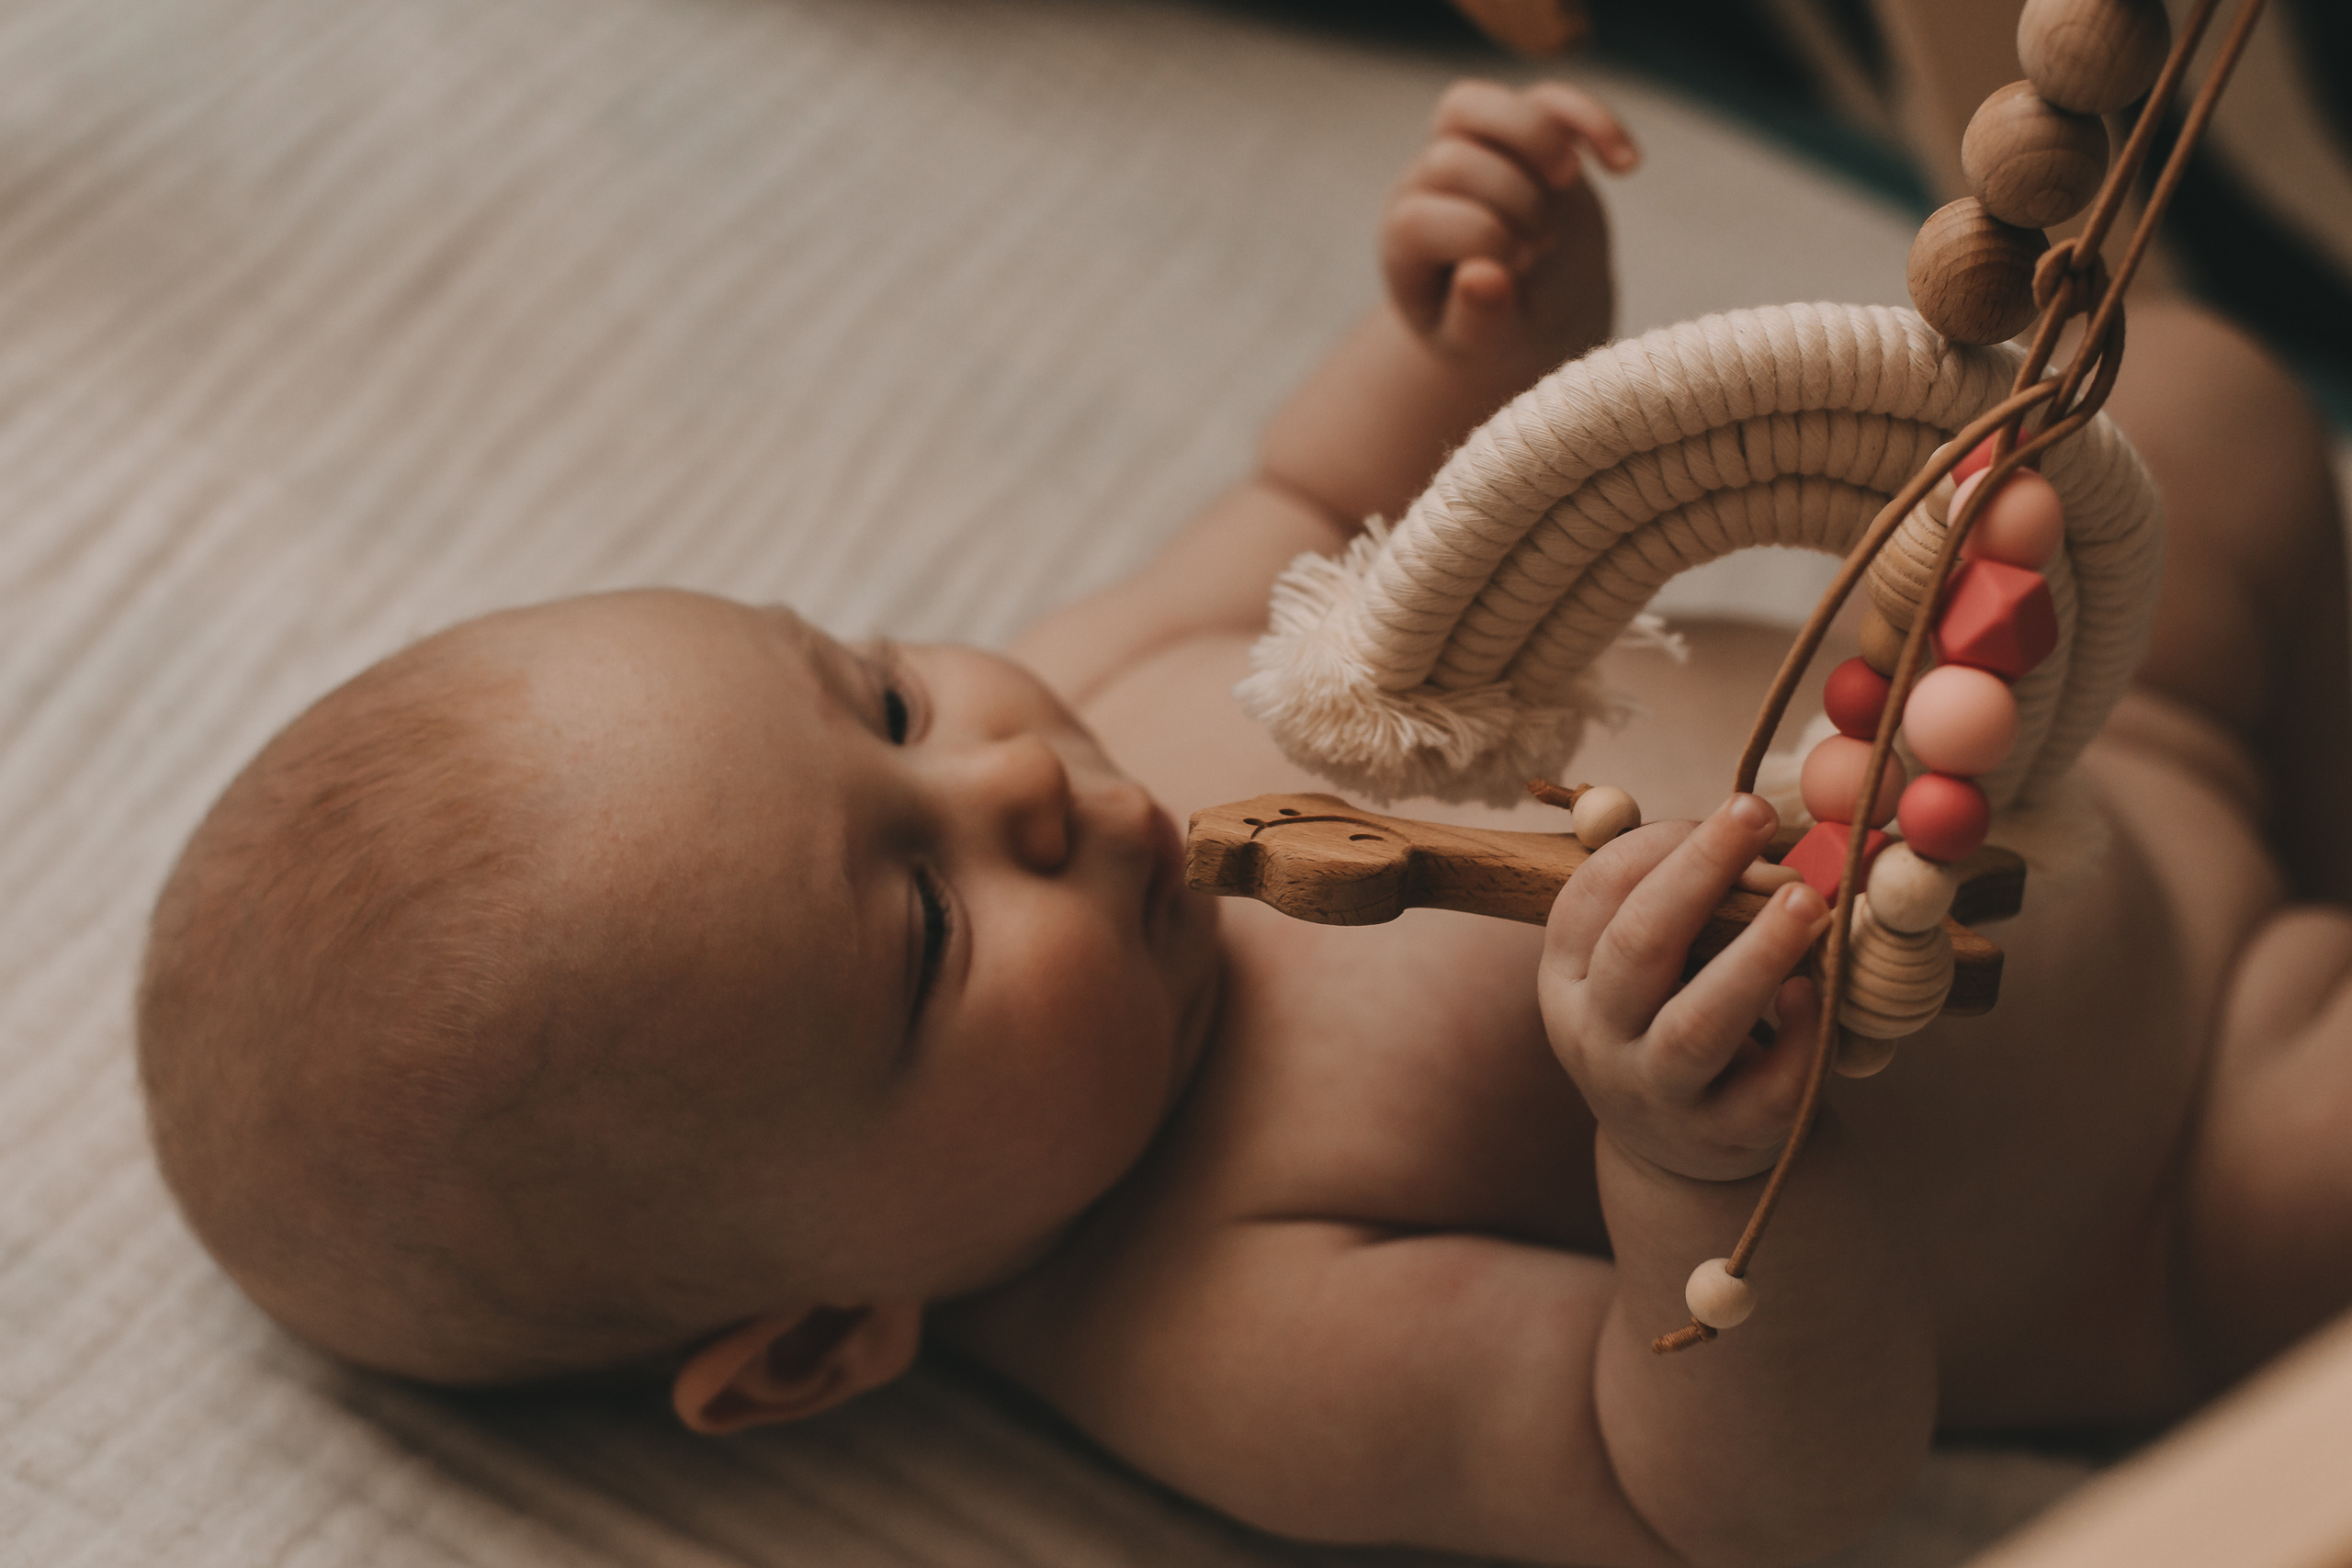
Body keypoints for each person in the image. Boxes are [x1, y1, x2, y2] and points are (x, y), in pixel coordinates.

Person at [136, 74, 2352, 1568]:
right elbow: (1728, 1507)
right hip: (2177, 1141)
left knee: (2222, 407)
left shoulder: (1085, 695)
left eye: (879, 688)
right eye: (917, 936)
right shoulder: (1219, 1302)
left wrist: (1473, 326)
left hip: (2083, 696)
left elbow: (1317, 505)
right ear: (825, 1336)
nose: (1005, 775)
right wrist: (1688, 1163)